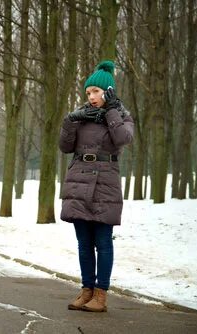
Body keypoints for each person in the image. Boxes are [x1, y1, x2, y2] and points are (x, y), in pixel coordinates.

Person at [58, 60, 134, 312]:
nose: (91, 97)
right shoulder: (80, 116)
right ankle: (86, 290)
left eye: (96, 92)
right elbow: (65, 147)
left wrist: (111, 110)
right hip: (79, 181)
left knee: (103, 242)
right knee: (83, 242)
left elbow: (124, 139)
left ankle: (101, 295)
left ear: (108, 91)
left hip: (105, 182)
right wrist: (71, 120)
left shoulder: (121, 114)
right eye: (88, 92)